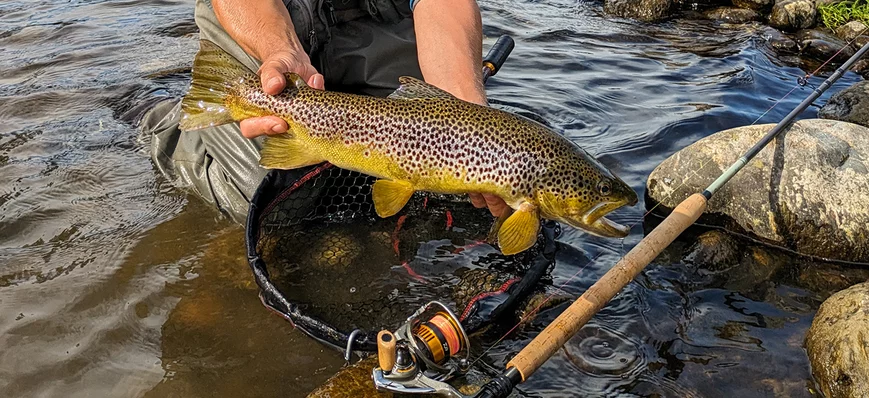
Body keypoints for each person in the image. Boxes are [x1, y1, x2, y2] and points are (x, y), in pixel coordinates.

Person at [140, 0, 508, 223]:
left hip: (367, 20)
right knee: (273, 200)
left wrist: (463, 105)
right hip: (261, 14)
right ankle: (166, 126)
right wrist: (279, 50)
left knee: (442, 166)